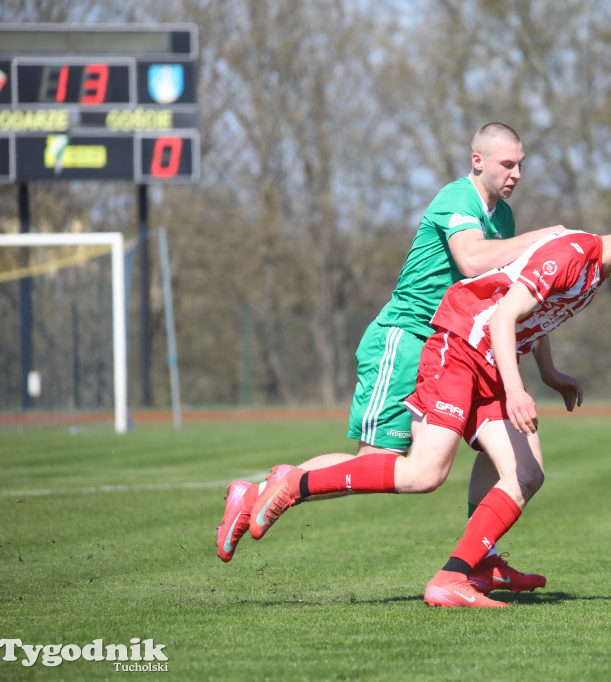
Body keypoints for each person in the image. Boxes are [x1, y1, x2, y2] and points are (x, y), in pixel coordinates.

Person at [240, 186, 611, 607]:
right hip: (459, 348)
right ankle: (292, 485)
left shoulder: (595, 272)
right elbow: (504, 317)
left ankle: (461, 574)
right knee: (424, 474)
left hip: (488, 362)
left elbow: (535, 320)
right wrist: (516, 391)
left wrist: (550, 373)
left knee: (527, 473)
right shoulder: (573, 252)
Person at [218, 123, 562, 592]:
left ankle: (481, 559)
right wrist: (547, 238)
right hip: (407, 340)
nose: (517, 173)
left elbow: (514, 297)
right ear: (477, 160)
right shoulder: (456, 200)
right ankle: (263, 489)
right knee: (380, 459)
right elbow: (472, 261)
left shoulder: (503, 219)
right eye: (508, 163)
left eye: (522, 163)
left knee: (496, 448)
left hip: (455, 349)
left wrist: (548, 369)